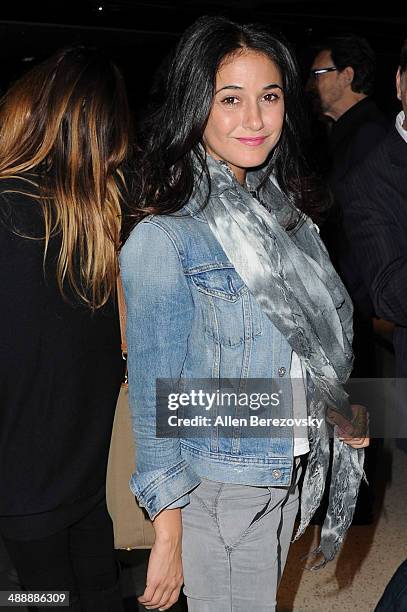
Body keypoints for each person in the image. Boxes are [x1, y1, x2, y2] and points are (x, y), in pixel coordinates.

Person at [120, 16, 369, 612]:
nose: (255, 120)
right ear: (195, 108)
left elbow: (300, 347)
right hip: (222, 487)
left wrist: (334, 404)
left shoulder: (288, 221)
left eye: (270, 97)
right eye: (230, 100)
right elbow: (158, 396)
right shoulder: (167, 239)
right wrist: (168, 531)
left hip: (281, 467)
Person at [0, 46, 132, 610]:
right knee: (96, 591)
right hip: (84, 474)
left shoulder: (11, 209)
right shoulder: (98, 221)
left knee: (39, 601)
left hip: (25, 486)